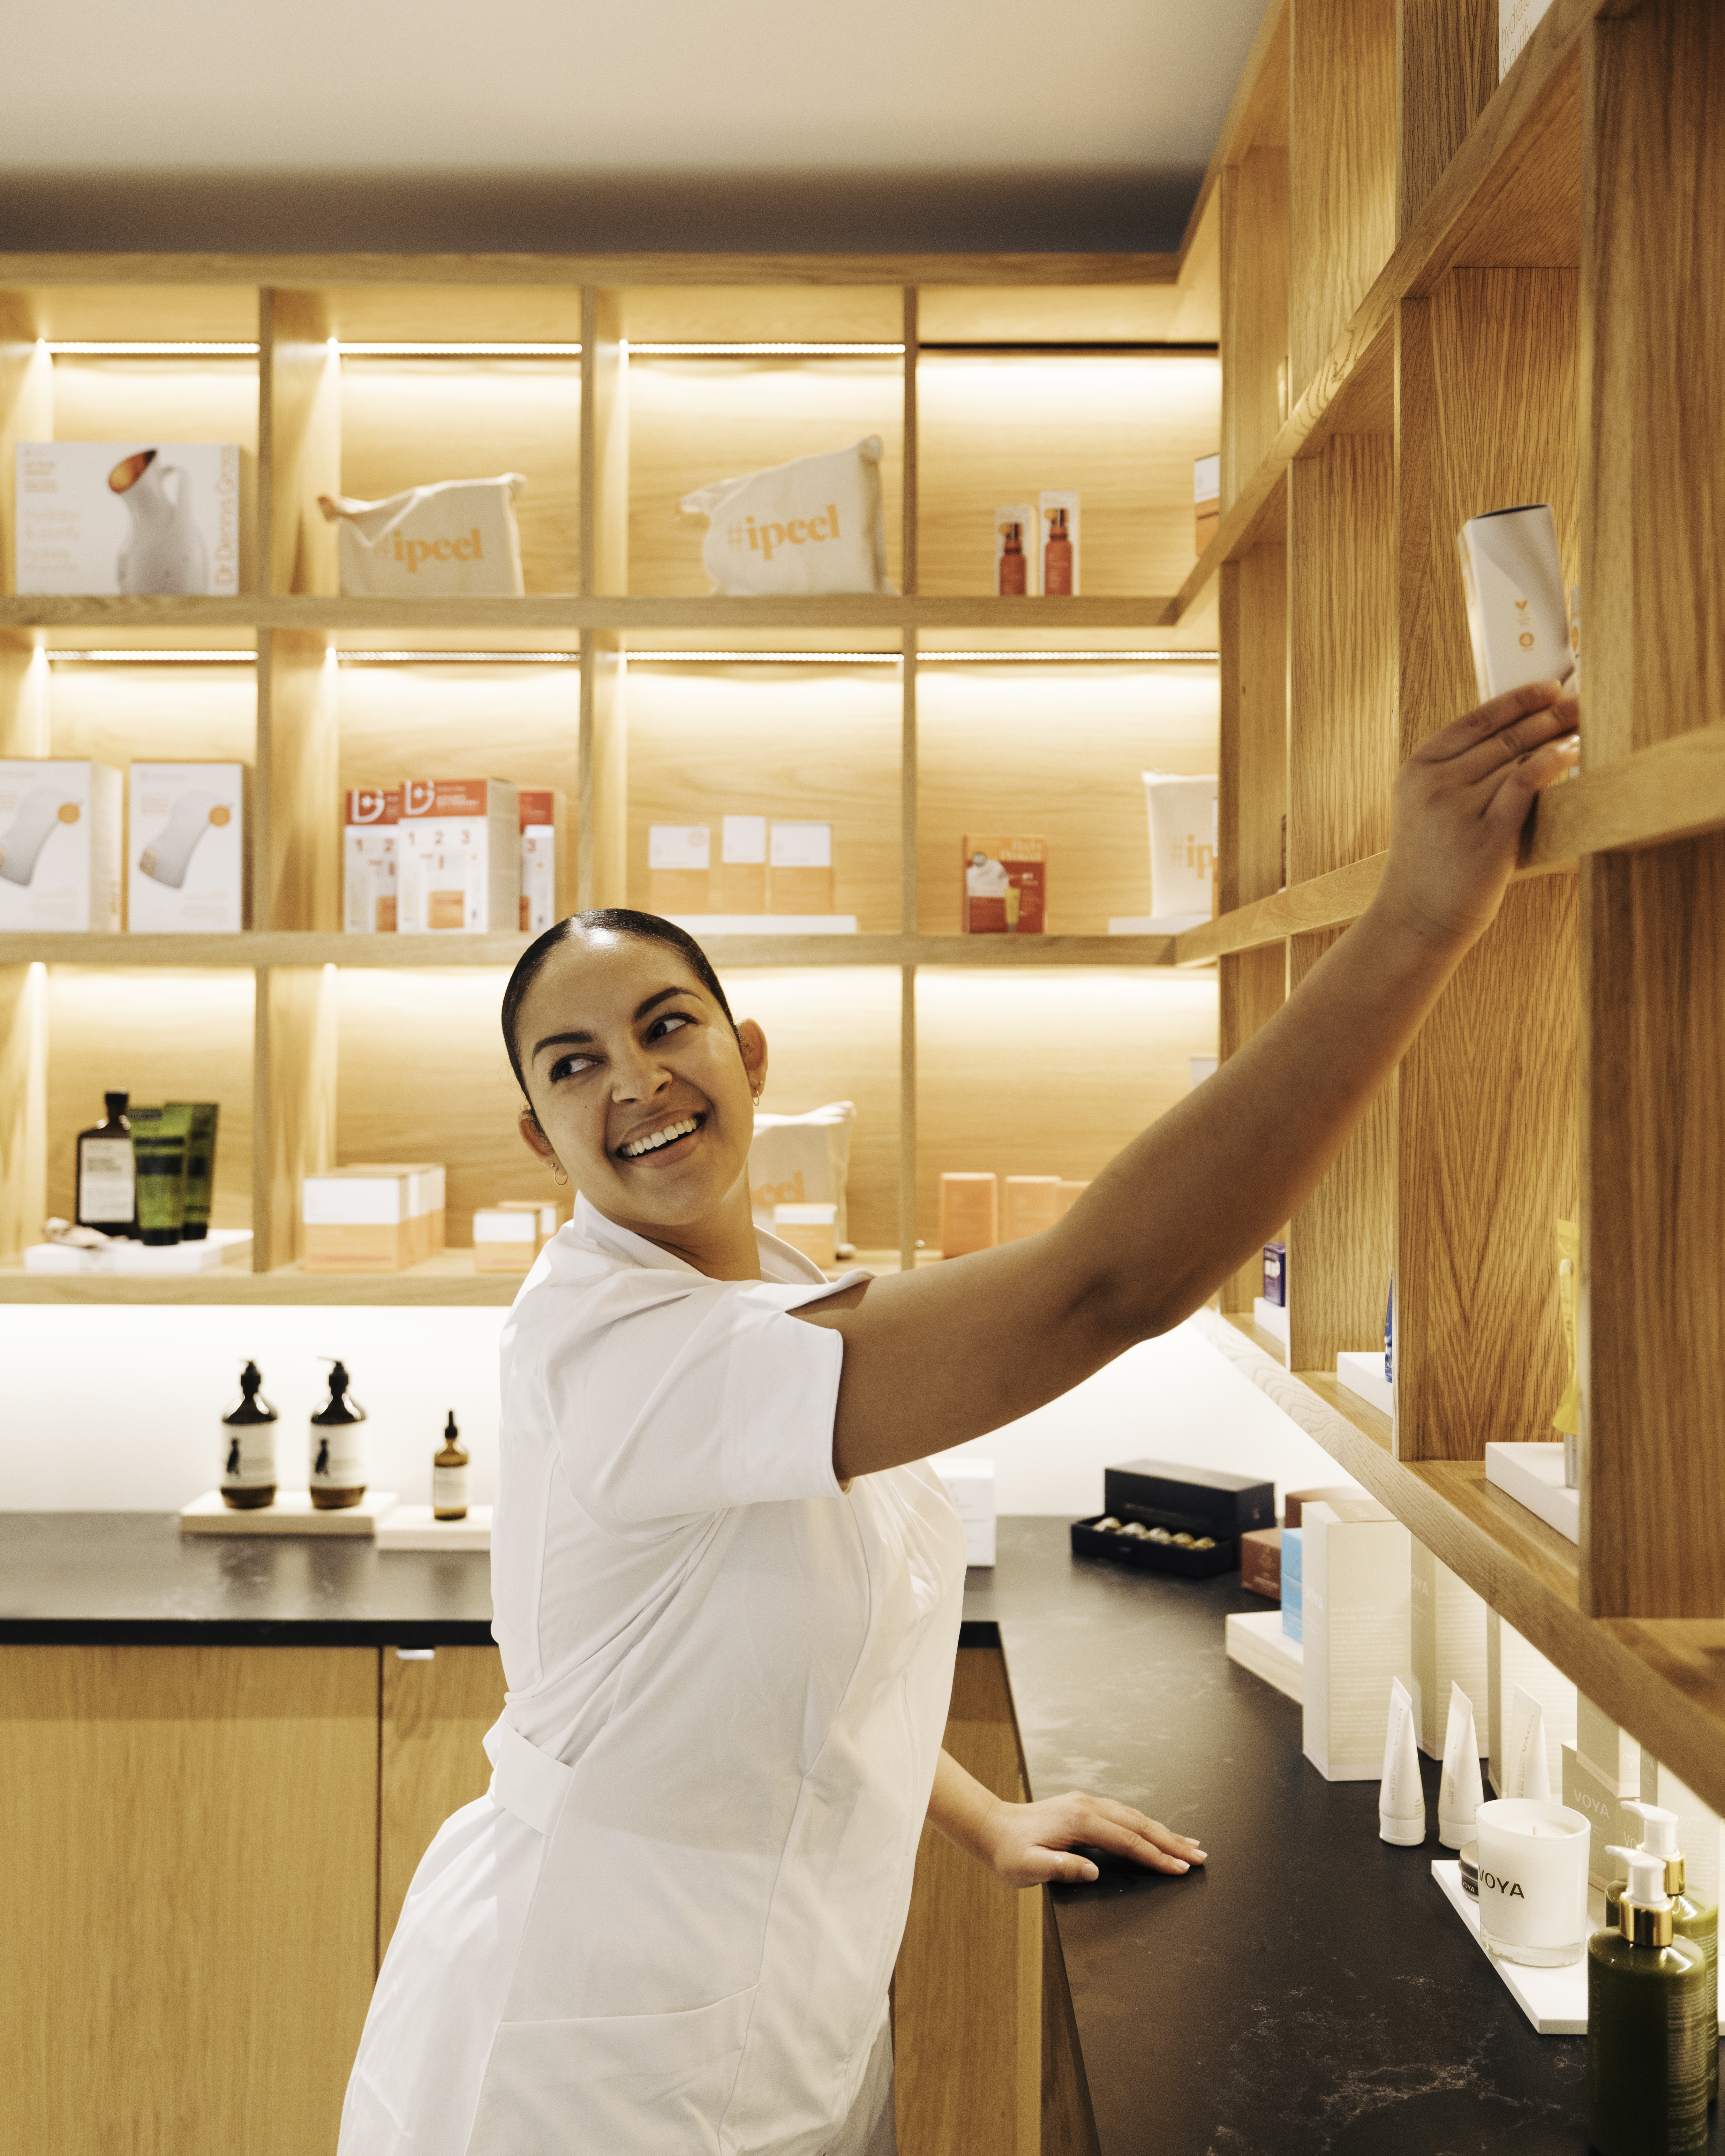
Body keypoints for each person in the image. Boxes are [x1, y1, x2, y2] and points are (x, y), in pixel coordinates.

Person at [338, 678, 1580, 2156]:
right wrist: (1418, 921)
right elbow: (1101, 1288)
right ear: (538, 1136)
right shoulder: (615, 1351)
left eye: (668, 1027)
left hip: (783, 2028)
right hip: (584, 2062)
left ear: (749, 1055)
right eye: (576, 1064)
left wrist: (983, 1812)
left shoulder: (776, 1292)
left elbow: (779, 1657)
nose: (638, 1081)